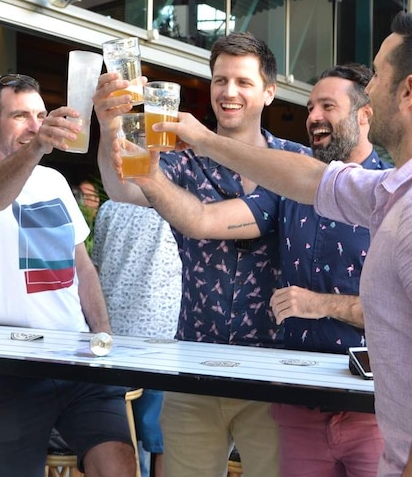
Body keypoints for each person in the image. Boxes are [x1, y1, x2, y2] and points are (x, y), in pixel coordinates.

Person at [148, 12, 412, 475]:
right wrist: (204, 140)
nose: (368, 90)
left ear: (408, 91)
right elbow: (309, 177)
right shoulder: (402, 188)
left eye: (378, 74)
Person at [127, 64, 385, 477]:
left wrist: (321, 304)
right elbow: (202, 222)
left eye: (328, 106)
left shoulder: (391, 193)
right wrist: (145, 170)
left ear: (365, 114)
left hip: (372, 405)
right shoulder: (293, 189)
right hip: (296, 402)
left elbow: (404, 313)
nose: (314, 116)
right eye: (310, 106)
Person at [93, 32, 309, 477]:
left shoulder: (295, 163)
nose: (229, 92)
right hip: (193, 360)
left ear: (269, 92)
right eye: (220, 80)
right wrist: (110, 123)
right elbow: (121, 188)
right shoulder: (184, 161)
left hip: (273, 369)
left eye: (243, 82)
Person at [0, 73, 135, 477]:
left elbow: (83, 269)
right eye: (20, 116)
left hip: (77, 358)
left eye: (39, 115)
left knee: (120, 466)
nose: (34, 126)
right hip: (8, 365)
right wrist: (37, 146)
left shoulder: (54, 181)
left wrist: (104, 338)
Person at [91, 200, 183, 477]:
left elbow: (95, 267)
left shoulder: (110, 208)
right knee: (166, 441)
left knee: (118, 433)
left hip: (114, 336)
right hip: (164, 336)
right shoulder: (180, 206)